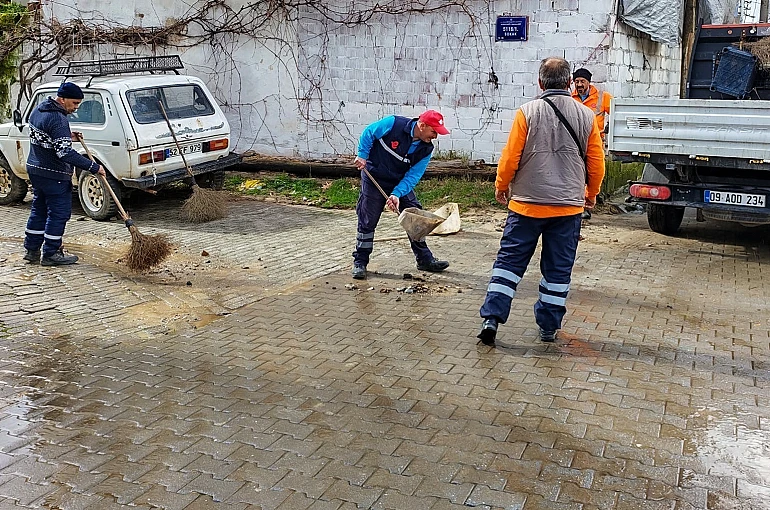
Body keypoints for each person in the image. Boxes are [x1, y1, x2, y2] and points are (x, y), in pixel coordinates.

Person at [477, 57, 605, 346]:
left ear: (539, 83)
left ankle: (492, 319)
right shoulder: (586, 116)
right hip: (568, 207)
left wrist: (501, 186)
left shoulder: (527, 112)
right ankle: (548, 328)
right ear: (570, 83)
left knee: (509, 262)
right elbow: (597, 162)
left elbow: (510, 157)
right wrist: (591, 193)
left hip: (526, 205)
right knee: (558, 269)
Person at [352, 110, 451, 279]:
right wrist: (362, 155)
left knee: (415, 218)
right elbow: (369, 132)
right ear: (422, 125)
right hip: (374, 177)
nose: (435, 136)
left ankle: (424, 260)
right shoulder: (393, 124)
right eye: (434, 131)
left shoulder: (426, 149)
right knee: (367, 220)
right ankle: (360, 262)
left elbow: (413, 176)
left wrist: (397, 194)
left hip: (398, 181)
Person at [23, 82, 106, 266]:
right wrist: (94, 167)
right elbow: (65, 153)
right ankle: (51, 253)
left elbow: (45, 136)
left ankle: (31, 250)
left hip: (35, 170)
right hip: (54, 174)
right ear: (62, 99)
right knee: (58, 214)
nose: (76, 108)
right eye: (74, 103)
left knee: (39, 210)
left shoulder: (38, 111)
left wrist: (68, 136)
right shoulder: (59, 120)